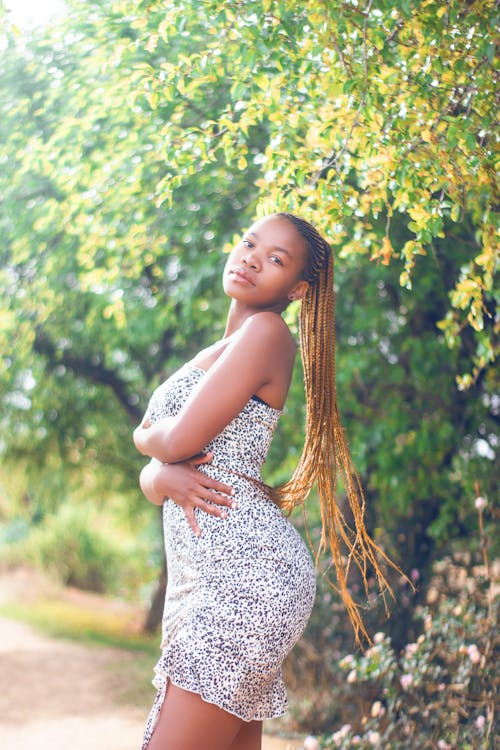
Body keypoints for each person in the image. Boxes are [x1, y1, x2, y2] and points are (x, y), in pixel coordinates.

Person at [133, 213, 395, 750]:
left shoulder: (267, 331)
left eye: (275, 258)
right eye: (250, 243)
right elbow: (163, 474)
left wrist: (144, 440)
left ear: (297, 290)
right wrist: (157, 472)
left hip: (243, 577)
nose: (252, 257)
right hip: (210, 575)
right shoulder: (215, 350)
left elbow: (178, 441)